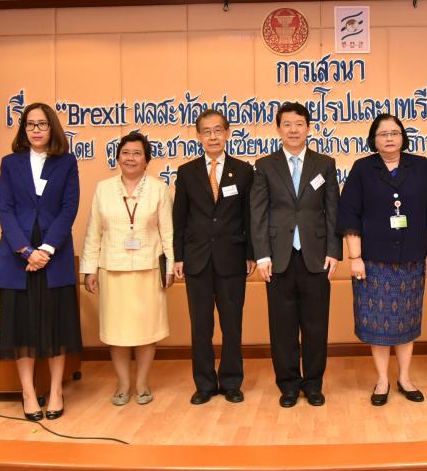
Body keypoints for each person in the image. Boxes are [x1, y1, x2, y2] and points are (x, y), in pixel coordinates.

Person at [339, 114, 427, 406]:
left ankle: (405, 378)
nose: (389, 138)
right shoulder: (363, 168)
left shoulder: (422, 167)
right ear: (373, 139)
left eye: (395, 133)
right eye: (383, 134)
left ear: (403, 137)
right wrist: (355, 257)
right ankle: (382, 380)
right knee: (378, 324)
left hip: (412, 260)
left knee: (406, 322)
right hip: (374, 262)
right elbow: (349, 215)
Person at [0, 102, 82, 421]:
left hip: (54, 255)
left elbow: (69, 208)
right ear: (23, 129)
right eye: (30, 124)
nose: (36, 130)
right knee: (22, 327)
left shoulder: (66, 162)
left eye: (42, 124)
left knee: (56, 324)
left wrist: (45, 249)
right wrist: (26, 251)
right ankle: (28, 392)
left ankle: (56, 391)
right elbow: (5, 209)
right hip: (17, 256)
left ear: (52, 127)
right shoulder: (10, 163)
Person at [250, 102, 341, 408]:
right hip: (278, 259)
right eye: (287, 124)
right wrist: (262, 256)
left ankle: (313, 384)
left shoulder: (324, 164)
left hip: (316, 257)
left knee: (316, 325)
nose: (293, 130)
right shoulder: (265, 165)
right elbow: (258, 213)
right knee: (282, 327)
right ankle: (288, 385)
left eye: (299, 124)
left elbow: (333, 210)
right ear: (278, 129)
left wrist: (334, 251)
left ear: (308, 128)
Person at [80, 132, 174, 406]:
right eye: (126, 153)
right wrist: (90, 269)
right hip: (113, 269)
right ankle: (123, 384)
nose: (131, 158)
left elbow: (168, 232)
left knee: (146, 331)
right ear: (118, 158)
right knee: (117, 332)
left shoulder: (158, 188)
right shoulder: (103, 189)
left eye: (137, 153)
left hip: (149, 269)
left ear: (146, 160)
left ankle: (142, 383)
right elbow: (94, 232)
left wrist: (170, 267)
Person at [173, 109, 255, 405]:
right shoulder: (187, 172)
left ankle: (231, 381)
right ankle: (205, 383)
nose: (212, 136)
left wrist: (251, 254)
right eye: (206, 131)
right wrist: (179, 256)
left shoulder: (244, 171)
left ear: (227, 133)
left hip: (232, 259)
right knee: (201, 326)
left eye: (217, 130)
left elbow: (249, 217)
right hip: (196, 260)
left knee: (232, 324)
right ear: (198, 136)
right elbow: (179, 218)